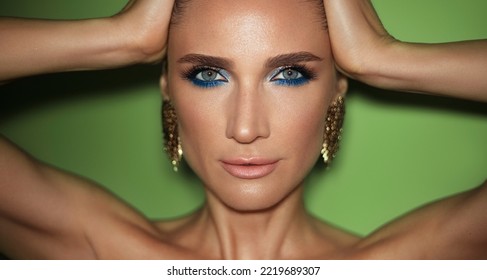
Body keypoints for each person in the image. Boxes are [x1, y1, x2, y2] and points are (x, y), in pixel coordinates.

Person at [0, 0, 486, 259]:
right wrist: (122, 36)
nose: (246, 127)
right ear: (168, 87)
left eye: (289, 74)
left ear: (338, 88)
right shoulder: (96, 257)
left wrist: (383, 58)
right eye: (208, 75)